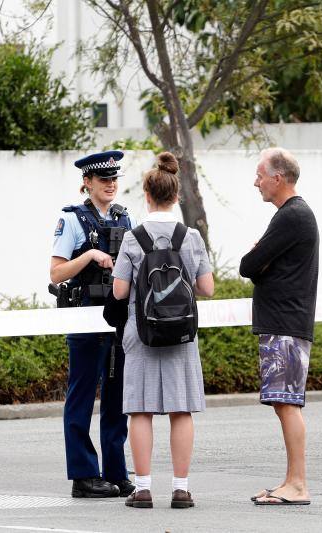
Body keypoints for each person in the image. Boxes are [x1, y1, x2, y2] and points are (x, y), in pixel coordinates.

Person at [111, 152, 214, 509]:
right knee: (180, 410)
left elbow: (120, 292)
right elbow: (207, 288)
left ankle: (141, 489)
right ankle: (181, 489)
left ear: (147, 194)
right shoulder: (191, 236)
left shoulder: (132, 238)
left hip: (142, 334)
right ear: (177, 196)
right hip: (182, 335)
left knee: (140, 410)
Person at [50, 150, 135, 498]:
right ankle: (84, 475)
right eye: (103, 179)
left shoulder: (124, 218)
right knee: (82, 397)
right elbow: (55, 272)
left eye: (114, 178)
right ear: (87, 183)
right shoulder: (71, 220)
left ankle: (115, 471)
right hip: (85, 318)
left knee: (117, 399)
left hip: (117, 319)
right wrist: (88, 255)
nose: (111, 184)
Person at [239, 147, 319, 506]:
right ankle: (291, 481)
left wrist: (259, 258)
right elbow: (258, 264)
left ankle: (298, 484)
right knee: (283, 403)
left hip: (286, 323)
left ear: (278, 178)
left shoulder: (292, 216)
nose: (256, 182)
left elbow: (249, 264)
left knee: (287, 403)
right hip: (285, 322)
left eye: (260, 175)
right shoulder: (292, 216)